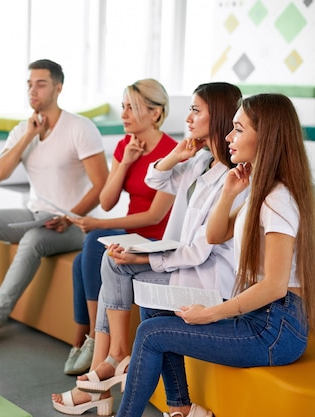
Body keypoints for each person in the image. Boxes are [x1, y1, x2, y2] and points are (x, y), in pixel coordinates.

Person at [113, 93, 315, 417]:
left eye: (238, 129)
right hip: (261, 316)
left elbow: (276, 286)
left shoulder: (278, 200)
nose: (227, 137)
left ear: (265, 136)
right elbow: (215, 234)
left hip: (275, 328)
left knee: (151, 335)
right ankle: (180, 408)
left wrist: (212, 313)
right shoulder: (261, 192)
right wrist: (230, 192)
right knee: (156, 309)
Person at [52, 82, 244, 415]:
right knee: (112, 262)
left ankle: (117, 367)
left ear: (220, 117)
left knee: (133, 280)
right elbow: (155, 180)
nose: (188, 117)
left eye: (196, 110)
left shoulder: (233, 178)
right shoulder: (201, 162)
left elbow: (201, 250)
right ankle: (116, 357)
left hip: (209, 278)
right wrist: (175, 156)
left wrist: (144, 257)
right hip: (186, 262)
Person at [0, 59, 109, 350]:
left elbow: (103, 185)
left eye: (41, 83)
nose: (32, 90)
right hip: (34, 214)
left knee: (34, 239)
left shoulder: (79, 127)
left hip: (74, 224)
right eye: (29, 84)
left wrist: (69, 216)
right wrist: (28, 136)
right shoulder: (24, 130)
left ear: (58, 87)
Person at [63, 79, 177, 375]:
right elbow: (107, 199)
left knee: (94, 240)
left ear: (155, 113)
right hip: (130, 233)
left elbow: (154, 216)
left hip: (155, 237)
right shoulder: (125, 145)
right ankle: (81, 340)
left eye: (132, 107)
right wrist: (125, 162)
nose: (123, 114)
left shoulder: (172, 152)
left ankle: (93, 340)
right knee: (80, 262)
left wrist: (99, 223)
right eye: (123, 106)